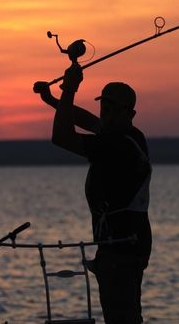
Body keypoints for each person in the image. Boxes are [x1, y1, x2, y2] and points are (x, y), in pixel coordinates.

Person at [34, 63, 152, 324]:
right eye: (104, 108)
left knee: (122, 317)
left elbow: (62, 137)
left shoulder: (116, 144)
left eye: (114, 111)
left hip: (120, 250)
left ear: (131, 113)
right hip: (127, 245)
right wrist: (54, 101)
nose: (106, 116)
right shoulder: (131, 135)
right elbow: (90, 122)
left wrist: (70, 89)